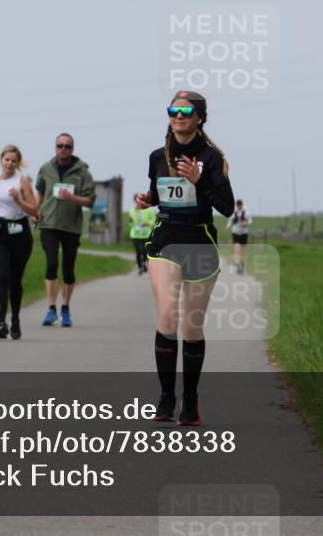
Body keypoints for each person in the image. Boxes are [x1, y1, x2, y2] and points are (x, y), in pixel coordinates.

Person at [134, 90, 234, 426]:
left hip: (200, 239)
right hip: (165, 238)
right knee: (167, 314)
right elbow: (158, 193)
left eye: (186, 111)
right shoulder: (156, 156)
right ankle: (166, 398)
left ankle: (190, 399)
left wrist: (200, 179)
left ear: (199, 117)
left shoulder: (212, 156)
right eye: (174, 110)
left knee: (191, 325)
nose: (179, 116)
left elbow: (227, 206)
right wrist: (147, 199)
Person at [0, 145, 39, 340]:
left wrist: (18, 200)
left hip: (19, 233)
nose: (10, 163)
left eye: (14, 161)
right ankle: (2, 322)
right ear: (1, 159)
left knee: (15, 280)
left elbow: (34, 210)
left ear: (17, 163)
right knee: (2, 277)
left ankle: (16, 319)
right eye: (7, 160)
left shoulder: (23, 182)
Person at [35, 133, 96, 328]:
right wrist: (36, 211)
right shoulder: (46, 168)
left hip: (71, 226)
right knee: (51, 264)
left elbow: (90, 200)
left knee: (68, 269)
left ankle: (66, 307)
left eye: (67, 146)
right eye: (60, 146)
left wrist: (72, 198)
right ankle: (51, 308)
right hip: (49, 224)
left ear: (72, 149)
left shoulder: (82, 171)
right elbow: (41, 192)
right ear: (55, 147)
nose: (63, 149)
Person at [128, 203, 158, 275]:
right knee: (139, 251)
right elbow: (131, 224)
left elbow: (153, 221)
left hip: (146, 235)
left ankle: (144, 264)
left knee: (145, 252)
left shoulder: (149, 210)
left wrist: (147, 223)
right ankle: (140, 266)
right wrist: (131, 221)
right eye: (137, 201)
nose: (139, 203)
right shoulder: (132, 211)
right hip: (135, 235)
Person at [226, 199, 251, 274]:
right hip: (235, 232)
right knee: (237, 250)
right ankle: (237, 265)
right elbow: (230, 220)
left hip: (244, 233)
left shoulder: (246, 212)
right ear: (236, 205)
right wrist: (228, 226)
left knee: (242, 251)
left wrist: (245, 223)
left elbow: (250, 221)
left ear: (242, 205)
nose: (239, 206)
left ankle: (242, 264)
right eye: (238, 205)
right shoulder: (234, 212)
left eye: (240, 205)